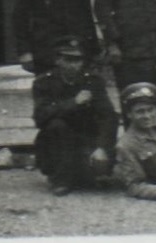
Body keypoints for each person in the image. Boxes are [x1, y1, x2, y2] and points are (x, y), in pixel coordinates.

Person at [32, 36, 119, 196]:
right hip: (58, 142)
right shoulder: (44, 82)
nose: (75, 65)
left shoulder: (93, 81)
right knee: (56, 126)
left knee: (94, 179)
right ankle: (60, 179)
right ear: (58, 60)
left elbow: (109, 116)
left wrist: (102, 147)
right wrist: (74, 102)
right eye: (69, 60)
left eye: (78, 60)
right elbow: (40, 117)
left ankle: (91, 173)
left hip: (86, 138)